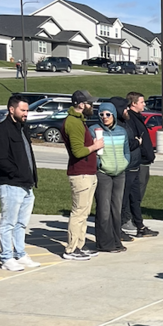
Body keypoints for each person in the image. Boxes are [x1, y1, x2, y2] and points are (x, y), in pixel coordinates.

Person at [0, 94, 40, 271]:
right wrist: (18, 174)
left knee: (21, 223)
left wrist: (31, 176)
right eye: (23, 110)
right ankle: (6, 258)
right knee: (8, 223)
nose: (26, 113)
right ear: (11, 109)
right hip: (11, 185)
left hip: (27, 184)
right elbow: (1, 159)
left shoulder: (23, 129)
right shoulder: (1, 130)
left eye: (27, 110)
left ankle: (20, 254)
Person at [62, 89, 103, 261]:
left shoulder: (79, 120)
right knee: (78, 212)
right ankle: (71, 249)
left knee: (84, 213)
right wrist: (95, 146)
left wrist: (92, 144)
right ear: (80, 104)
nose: (92, 106)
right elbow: (78, 152)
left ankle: (80, 244)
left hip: (88, 172)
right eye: (89, 103)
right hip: (81, 173)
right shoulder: (73, 122)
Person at [93, 101, 131, 253]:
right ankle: (104, 243)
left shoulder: (121, 131)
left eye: (108, 114)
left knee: (116, 208)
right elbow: (92, 152)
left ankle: (116, 241)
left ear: (114, 115)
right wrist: (99, 164)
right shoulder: (93, 130)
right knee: (103, 208)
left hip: (120, 173)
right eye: (101, 114)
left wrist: (125, 162)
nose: (104, 117)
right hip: (103, 174)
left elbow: (126, 150)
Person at [121, 92, 158, 239]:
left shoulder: (137, 117)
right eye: (141, 102)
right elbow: (135, 140)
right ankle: (126, 220)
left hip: (143, 161)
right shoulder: (130, 119)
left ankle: (138, 224)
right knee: (133, 193)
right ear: (133, 103)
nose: (144, 104)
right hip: (137, 162)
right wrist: (142, 150)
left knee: (137, 194)